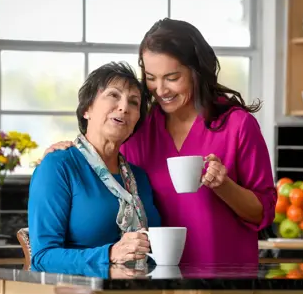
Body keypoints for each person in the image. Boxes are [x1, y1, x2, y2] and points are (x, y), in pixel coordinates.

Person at [39, 18, 276, 266]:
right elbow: (104, 164)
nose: (160, 90)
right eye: (151, 77)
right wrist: (66, 153)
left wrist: (223, 185)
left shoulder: (237, 126)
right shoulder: (139, 128)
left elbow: (263, 213)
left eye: (172, 77)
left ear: (197, 71)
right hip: (154, 280)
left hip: (225, 277)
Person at [28, 61, 161, 274]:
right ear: (87, 109)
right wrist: (109, 254)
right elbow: (43, 257)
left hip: (143, 293)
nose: (124, 107)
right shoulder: (58, 166)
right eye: (113, 95)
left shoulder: (140, 178)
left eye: (134, 102)